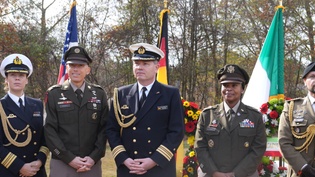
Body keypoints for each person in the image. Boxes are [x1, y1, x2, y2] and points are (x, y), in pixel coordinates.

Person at [106, 42, 185, 177]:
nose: (140, 67)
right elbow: (111, 130)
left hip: (159, 167)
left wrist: (154, 160)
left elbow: (176, 131)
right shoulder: (120, 94)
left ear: (156, 67)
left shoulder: (170, 94)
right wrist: (124, 158)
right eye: (137, 63)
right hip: (129, 167)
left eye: (145, 64)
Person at [44, 46, 109, 177]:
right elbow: (49, 130)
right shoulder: (54, 94)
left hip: (91, 164)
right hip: (62, 163)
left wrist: (94, 157)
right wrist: (69, 158)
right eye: (72, 65)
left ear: (88, 70)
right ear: (66, 68)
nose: (75, 69)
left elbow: (104, 129)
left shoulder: (99, 94)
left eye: (80, 65)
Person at [195, 64, 267, 177]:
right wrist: (214, 173)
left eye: (234, 85)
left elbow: (258, 149)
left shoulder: (255, 116)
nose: (229, 89)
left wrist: (236, 174)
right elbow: (200, 147)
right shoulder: (207, 115)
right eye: (225, 85)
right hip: (211, 174)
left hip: (245, 174)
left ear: (242, 88)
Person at [0, 53, 49, 177]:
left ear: (26, 80)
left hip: (36, 170)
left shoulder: (37, 104)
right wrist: (20, 167)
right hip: (10, 171)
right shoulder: (1, 106)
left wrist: (40, 161)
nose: (17, 79)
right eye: (13, 75)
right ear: (6, 79)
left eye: (21, 75)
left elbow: (45, 138)